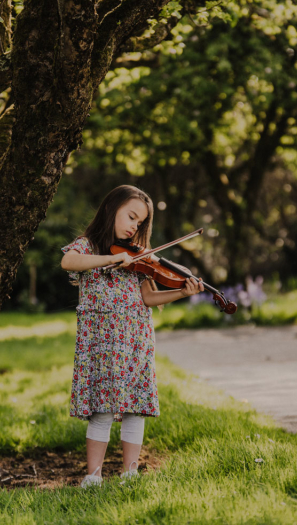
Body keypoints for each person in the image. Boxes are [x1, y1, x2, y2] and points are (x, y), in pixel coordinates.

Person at [60, 185, 205, 488]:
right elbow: (69, 262)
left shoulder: (138, 259)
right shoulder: (89, 246)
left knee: (135, 408)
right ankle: (93, 476)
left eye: (139, 223)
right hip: (101, 343)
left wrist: (181, 291)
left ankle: (130, 474)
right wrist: (113, 259)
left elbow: (149, 298)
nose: (133, 226)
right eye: (130, 217)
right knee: (102, 409)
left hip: (136, 340)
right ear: (111, 208)